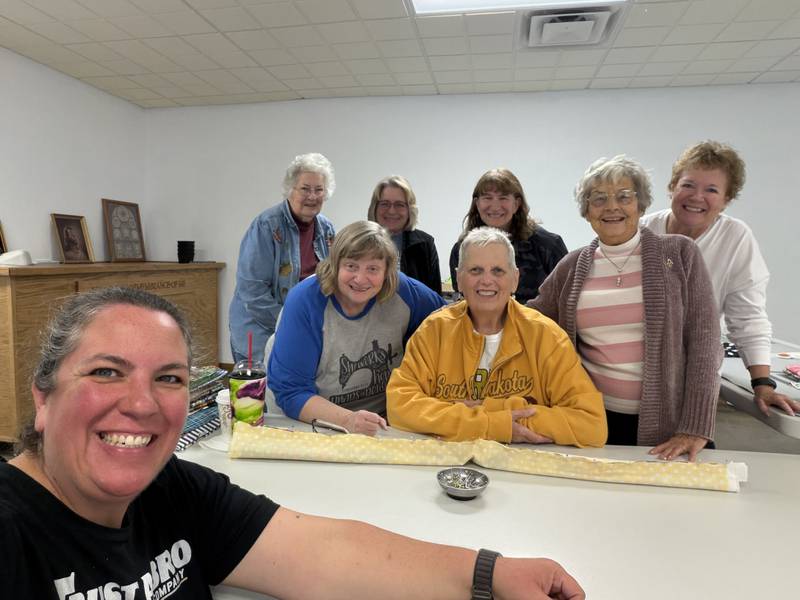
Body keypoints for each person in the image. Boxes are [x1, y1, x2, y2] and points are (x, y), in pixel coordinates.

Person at [0, 286, 585, 599]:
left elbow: (322, 551)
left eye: (169, 378)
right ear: (43, 398)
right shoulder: (13, 530)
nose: (143, 403)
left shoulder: (172, 492)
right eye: (106, 372)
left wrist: (490, 575)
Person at [529, 156, 721, 462]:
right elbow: (530, 322)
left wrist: (694, 427)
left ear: (641, 205)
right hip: (595, 421)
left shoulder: (680, 254)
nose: (611, 207)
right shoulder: (571, 267)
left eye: (624, 196)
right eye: (599, 199)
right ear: (587, 211)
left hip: (672, 427)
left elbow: (705, 344)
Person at [387, 227, 607, 446]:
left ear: (515, 279)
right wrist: (492, 425)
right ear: (459, 279)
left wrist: (489, 415)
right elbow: (399, 406)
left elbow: (591, 424)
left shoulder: (545, 336)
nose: (486, 280)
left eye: (498, 271)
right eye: (475, 270)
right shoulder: (434, 331)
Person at [641, 141, 800, 417]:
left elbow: (748, 316)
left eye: (711, 190)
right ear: (672, 187)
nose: (696, 197)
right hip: (632, 366)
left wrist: (762, 383)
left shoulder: (735, 239)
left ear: (726, 200)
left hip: (693, 371)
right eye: (688, 185)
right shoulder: (642, 231)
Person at [268, 221, 446, 435]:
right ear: (335, 263)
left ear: (387, 271)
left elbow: (452, 324)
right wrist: (348, 420)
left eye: (373, 269)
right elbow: (292, 392)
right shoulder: (306, 300)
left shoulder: (405, 293)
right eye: (351, 266)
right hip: (320, 421)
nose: (361, 279)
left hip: (385, 423)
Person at [228, 152, 336, 363]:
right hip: (259, 332)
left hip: (301, 331)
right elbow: (252, 292)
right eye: (305, 189)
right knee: (255, 394)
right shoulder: (267, 225)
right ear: (290, 189)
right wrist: (292, 323)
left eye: (319, 189)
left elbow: (331, 281)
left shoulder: (327, 228)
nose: (312, 196)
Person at [449, 169, 567, 304]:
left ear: (516, 204)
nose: (495, 207)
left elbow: (566, 299)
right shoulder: (462, 249)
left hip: (536, 323)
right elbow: (462, 300)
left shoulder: (548, 245)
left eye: (503, 198)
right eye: (487, 198)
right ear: (477, 204)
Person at [367, 174, 442, 295]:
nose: (391, 211)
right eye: (385, 204)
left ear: (410, 210)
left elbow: (434, 295)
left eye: (399, 205)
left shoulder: (424, 244)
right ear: (375, 208)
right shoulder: (359, 241)